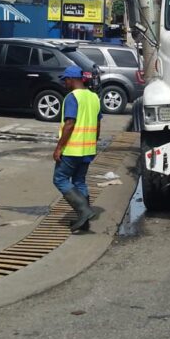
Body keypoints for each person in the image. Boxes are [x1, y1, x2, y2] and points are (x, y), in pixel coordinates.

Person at [52, 65, 101, 231]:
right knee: (79, 181)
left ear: (71, 79)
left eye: (65, 79)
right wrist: (93, 142)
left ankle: (84, 211)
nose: (64, 83)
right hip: (88, 149)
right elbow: (98, 123)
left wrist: (59, 148)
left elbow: (69, 124)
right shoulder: (94, 97)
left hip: (72, 149)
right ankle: (84, 221)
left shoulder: (72, 97)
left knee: (60, 179)